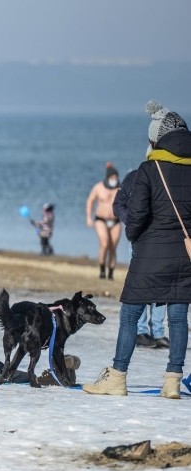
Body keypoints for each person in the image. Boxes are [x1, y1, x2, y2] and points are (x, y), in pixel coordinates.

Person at [83, 100, 191, 399]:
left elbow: (136, 216)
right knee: (179, 318)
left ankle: (117, 378)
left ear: (157, 138)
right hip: (184, 256)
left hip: (150, 255)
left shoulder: (148, 170)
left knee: (130, 314)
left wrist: (134, 236)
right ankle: (172, 381)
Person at [113, 167, 168, 349]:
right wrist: (132, 221)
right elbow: (118, 204)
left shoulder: (169, 175)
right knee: (142, 283)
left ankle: (158, 332)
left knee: (162, 284)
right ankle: (141, 331)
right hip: (140, 237)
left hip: (163, 238)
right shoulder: (134, 177)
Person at [85, 162, 122, 279]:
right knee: (104, 243)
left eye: (116, 177)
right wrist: (88, 217)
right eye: (112, 177)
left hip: (115, 221)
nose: (114, 179)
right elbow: (90, 201)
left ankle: (110, 273)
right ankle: (102, 271)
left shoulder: (120, 188)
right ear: (108, 177)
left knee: (113, 248)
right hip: (101, 219)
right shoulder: (98, 187)